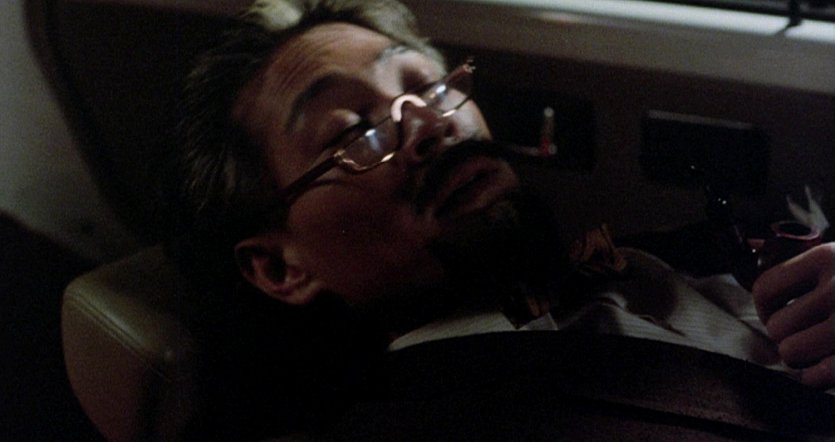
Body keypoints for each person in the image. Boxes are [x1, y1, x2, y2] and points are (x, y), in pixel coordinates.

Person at [164, 0, 835, 438]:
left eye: (426, 85)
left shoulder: (645, 256)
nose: (431, 123)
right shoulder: (424, 421)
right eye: (354, 134)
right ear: (279, 267)